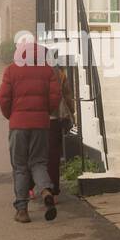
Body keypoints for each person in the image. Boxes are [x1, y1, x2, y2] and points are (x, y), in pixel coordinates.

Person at [0, 34, 61, 223]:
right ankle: (46, 191)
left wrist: (11, 115)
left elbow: (3, 98)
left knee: (20, 168)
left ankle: (22, 211)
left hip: (18, 125)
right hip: (41, 124)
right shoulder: (47, 71)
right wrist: (44, 112)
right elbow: (55, 97)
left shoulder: (11, 70)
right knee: (39, 163)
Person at [47, 56, 75, 196]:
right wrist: (73, 113)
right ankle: (53, 188)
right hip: (55, 118)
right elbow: (67, 95)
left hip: (35, 119)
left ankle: (32, 186)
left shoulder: (30, 72)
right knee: (53, 156)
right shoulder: (59, 73)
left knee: (34, 155)